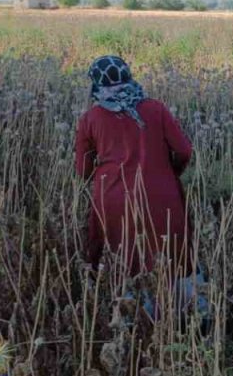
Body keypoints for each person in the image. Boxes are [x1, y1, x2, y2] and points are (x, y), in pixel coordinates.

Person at [74, 55, 194, 276]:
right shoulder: (156, 109)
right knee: (172, 261)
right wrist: (169, 173)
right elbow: (184, 150)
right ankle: (176, 307)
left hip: (113, 198)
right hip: (162, 194)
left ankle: (126, 305)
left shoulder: (90, 119)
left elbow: (84, 170)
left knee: (120, 262)